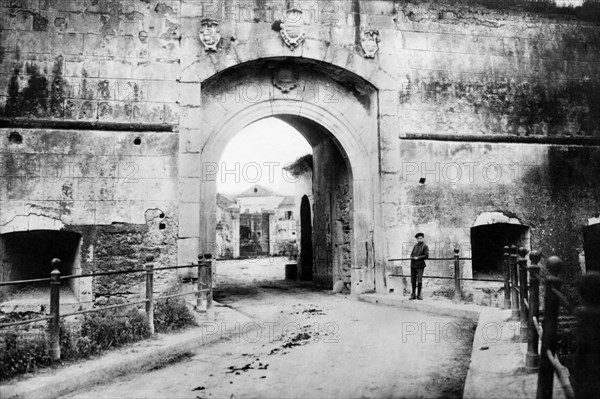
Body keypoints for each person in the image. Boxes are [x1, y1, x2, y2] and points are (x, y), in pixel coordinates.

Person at [409, 232, 429, 300]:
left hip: (420, 265)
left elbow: (426, 256)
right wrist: (412, 257)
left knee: (419, 280)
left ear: (423, 238)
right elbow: (411, 254)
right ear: (417, 239)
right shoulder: (415, 246)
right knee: (413, 280)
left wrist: (418, 258)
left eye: (421, 238)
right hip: (413, 265)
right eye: (418, 238)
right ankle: (413, 294)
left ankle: (419, 295)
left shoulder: (425, 246)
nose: (419, 239)